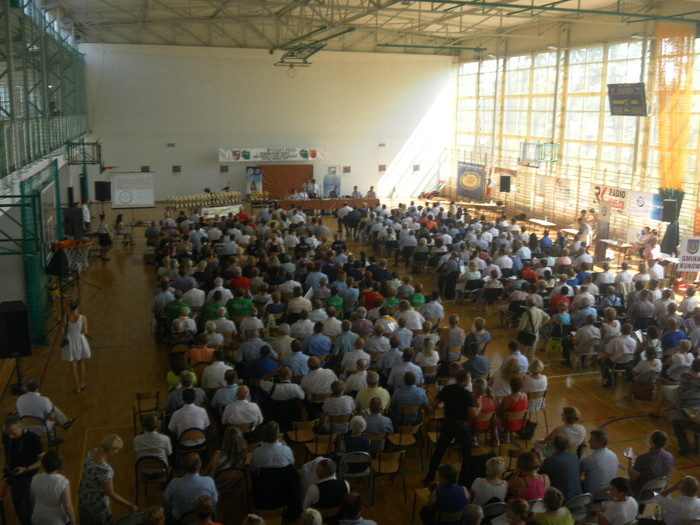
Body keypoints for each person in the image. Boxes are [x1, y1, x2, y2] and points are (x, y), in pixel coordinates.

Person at [424, 369, 477, 487]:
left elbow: (434, 404)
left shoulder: (447, 389)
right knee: (467, 453)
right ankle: (465, 480)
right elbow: (473, 413)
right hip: (461, 426)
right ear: (465, 381)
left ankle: (429, 476)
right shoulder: (466, 394)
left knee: (439, 451)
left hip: (447, 424)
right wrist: (479, 408)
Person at [79, 434, 137, 524]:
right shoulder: (105, 470)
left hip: (84, 498)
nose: (116, 452)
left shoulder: (91, 452)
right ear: (111, 449)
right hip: (97, 506)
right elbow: (110, 493)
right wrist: (130, 505)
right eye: (116, 449)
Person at [3, 416, 43, 525]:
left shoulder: (33, 439)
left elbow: (41, 461)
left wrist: (26, 469)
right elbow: (6, 450)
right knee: (18, 508)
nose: (11, 437)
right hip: (14, 477)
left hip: (29, 477)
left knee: (27, 510)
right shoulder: (7, 435)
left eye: (14, 434)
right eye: (8, 434)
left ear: (21, 427)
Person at [16, 377, 75, 444]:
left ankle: (65, 422)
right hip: (41, 428)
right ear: (38, 387)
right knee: (51, 413)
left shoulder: (19, 399)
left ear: (26, 388)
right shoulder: (44, 400)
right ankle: (54, 437)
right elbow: (52, 418)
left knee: (48, 411)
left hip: (25, 427)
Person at [163, 453, 218, 522]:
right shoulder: (209, 481)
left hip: (180, 519)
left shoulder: (174, 483)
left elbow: (166, 498)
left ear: (183, 467)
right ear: (200, 466)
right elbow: (215, 500)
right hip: (204, 518)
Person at [30, 450, 76, 525]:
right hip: (55, 520)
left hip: (37, 517)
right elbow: (68, 507)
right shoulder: (62, 482)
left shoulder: (35, 478)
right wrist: (73, 522)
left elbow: (33, 500)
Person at [628, 430, 674, 500]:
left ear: (651, 441)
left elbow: (632, 478)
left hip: (640, 492)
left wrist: (630, 462)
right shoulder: (670, 456)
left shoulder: (644, 458)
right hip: (657, 491)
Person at [61, 299, 91, 393]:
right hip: (80, 340)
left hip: (70, 341)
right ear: (78, 307)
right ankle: (82, 383)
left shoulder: (65, 318)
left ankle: (77, 387)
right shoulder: (83, 317)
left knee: (72, 365)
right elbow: (85, 331)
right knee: (81, 362)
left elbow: (62, 332)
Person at [539, 435, 581, 502]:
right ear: (568, 446)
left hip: (560, 500)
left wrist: (540, 460)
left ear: (554, 446)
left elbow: (540, 477)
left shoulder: (550, 461)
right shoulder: (575, 457)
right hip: (577, 499)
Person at [580, 429, 619, 499]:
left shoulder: (590, 460)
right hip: (609, 493)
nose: (589, 441)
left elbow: (579, 472)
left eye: (591, 440)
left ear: (599, 443)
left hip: (593, 495)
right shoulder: (613, 455)